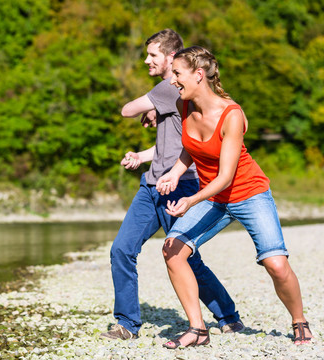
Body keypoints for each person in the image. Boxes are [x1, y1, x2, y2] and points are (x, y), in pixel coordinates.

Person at [156, 45, 312, 349]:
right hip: (215, 198)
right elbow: (193, 145)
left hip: (249, 193)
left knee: (276, 265)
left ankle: (299, 320)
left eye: (177, 73)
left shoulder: (232, 114)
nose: (172, 79)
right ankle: (198, 329)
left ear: (198, 75)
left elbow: (226, 177)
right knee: (172, 250)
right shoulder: (184, 104)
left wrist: (190, 200)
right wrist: (176, 172)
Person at [100, 29, 244, 341]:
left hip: (180, 186)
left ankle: (228, 316)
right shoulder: (175, 95)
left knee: (186, 257)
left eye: (153, 55)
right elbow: (174, 143)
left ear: (170, 58)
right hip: (151, 184)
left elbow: (126, 111)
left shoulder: (169, 89)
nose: (146, 60)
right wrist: (143, 154)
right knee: (122, 249)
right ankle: (127, 324)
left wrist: (151, 105)